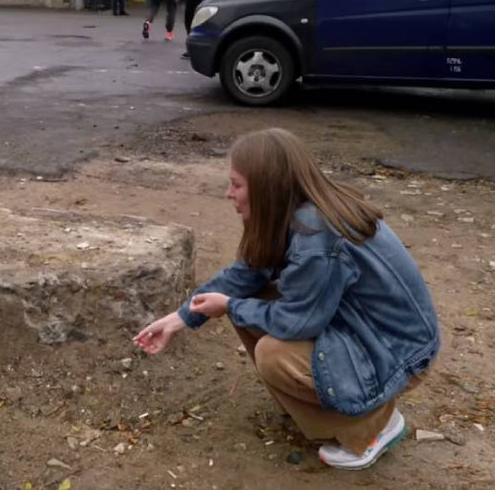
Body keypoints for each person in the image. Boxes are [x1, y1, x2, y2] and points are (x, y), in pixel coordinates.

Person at [134, 128, 440, 471]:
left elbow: (298, 322)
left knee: (273, 353)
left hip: (399, 353)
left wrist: (230, 306)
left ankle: (372, 427)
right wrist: (178, 319)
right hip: (365, 327)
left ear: (267, 187)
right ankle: (325, 405)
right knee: (244, 300)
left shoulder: (316, 235)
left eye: (236, 185)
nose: (228, 194)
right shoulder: (297, 212)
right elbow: (243, 276)